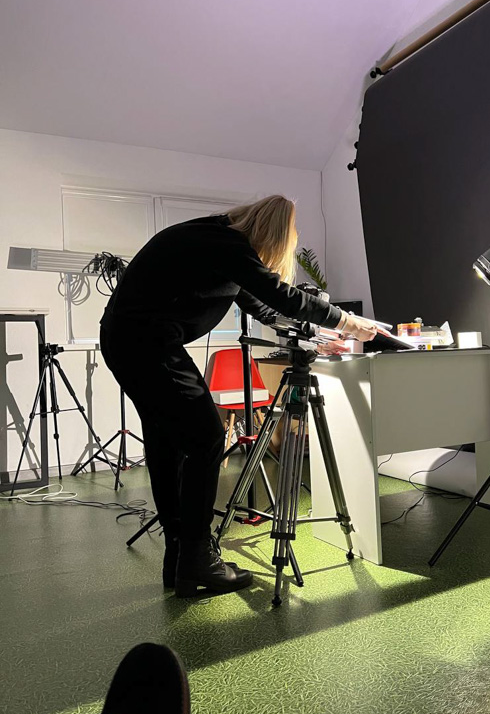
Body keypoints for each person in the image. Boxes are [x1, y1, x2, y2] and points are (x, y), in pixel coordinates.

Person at [100, 195, 377, 598]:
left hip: (131, 341)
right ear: (275, 234)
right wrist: (348, 322)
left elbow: (263, 308)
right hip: (146, 343)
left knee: (168, 444)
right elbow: (282, 296)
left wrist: (318, 335)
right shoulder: (226, 244)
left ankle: (181, 560)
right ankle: (198, 561)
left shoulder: (215, 243)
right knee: (206, 437)